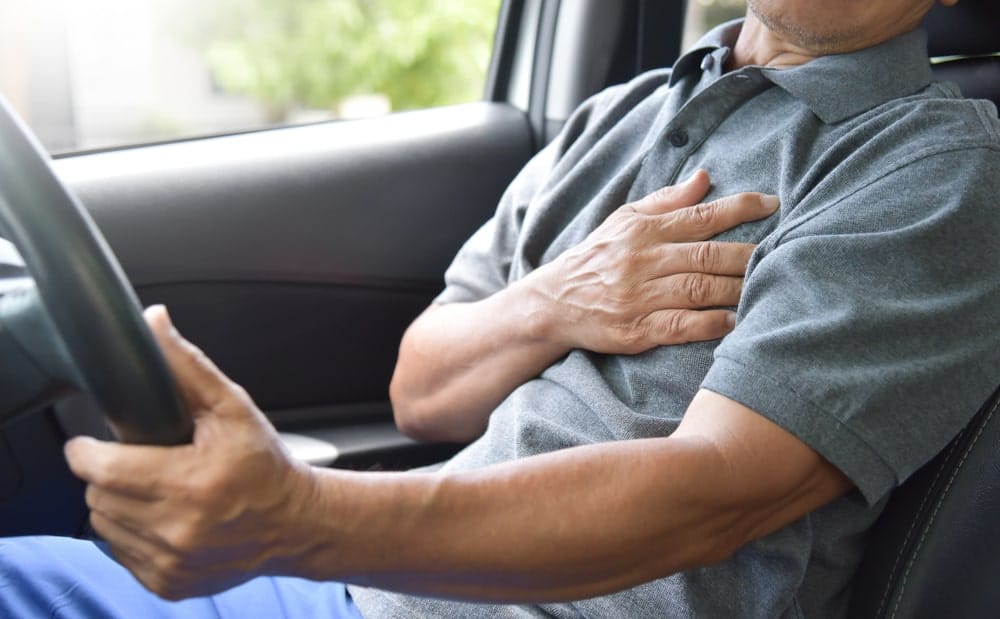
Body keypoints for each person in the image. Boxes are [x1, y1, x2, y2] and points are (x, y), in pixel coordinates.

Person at [2, 0, 999, 616]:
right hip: (369, 593)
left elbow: (717, 493)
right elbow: (421, 390)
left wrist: (299, 516)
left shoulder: (931, 168)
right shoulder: (619, 115)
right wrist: (552, 302)